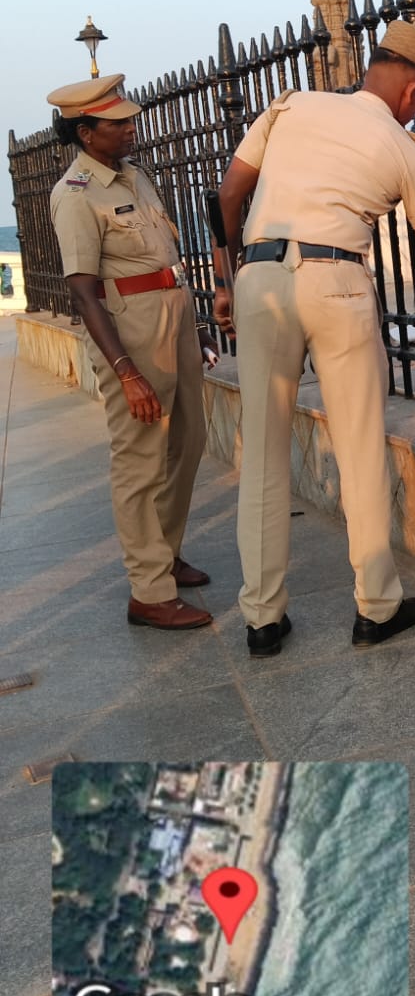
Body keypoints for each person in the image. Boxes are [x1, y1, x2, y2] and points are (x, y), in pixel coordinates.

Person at [216, 20, 415, 658]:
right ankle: (376, 607)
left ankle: (262, 619)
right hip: (337, 280)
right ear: (414, 90)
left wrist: (229, 278)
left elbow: (229, 195)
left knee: (263, 452)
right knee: (360, 447)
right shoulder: (405, 150)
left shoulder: (290, 106)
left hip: (259, 276)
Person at [47, 74, 217, 631]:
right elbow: (82, 291)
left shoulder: (135, 176)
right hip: (132, 335)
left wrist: (196, 325)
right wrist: (125, 371)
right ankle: (149, 590)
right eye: (116, 123)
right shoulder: (75, 195)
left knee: (188, 442)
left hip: (175, 320)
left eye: (128, 119)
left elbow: (165, 258)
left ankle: (164, 554)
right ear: (85, 132)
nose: (129, 128)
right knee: (140, 460)